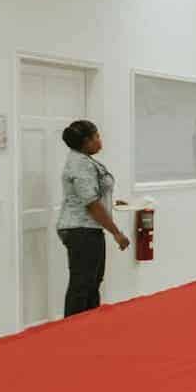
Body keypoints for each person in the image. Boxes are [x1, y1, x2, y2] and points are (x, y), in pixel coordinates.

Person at [56, 120, 131, 317]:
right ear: (86, 141)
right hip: (81, 229)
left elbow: (93, 196)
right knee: (82, 285)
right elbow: (91, 203)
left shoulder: (85, 160)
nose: (100, 140)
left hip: (87, 228)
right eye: (96, 136)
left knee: (91, 282)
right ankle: (71, 330)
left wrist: (111, 203)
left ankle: (89, 327)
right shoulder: (81, 165)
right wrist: (117, 233)